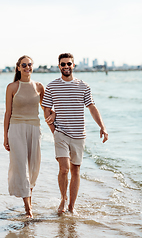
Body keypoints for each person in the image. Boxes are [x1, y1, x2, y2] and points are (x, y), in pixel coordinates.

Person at [42, 53, 108, 214]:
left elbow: (92, 107)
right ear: (59, 66)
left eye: (68, 64)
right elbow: (46, 108)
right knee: (64, 169)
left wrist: (102, 127)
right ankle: (63, 200)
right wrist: (54, 130)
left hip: (79, 134)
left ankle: (72, 206)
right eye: (63, 64)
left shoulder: (83, 86)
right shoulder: (51, 86)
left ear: (73, 65)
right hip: (61, 133)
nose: (66, 67)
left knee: (76, 170)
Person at [3, 55, 54, 218]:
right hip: (16, 129)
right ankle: (28, 209)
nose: (27, 67)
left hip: (34, 129)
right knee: (21, 167)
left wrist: (55, 121)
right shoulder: (12, 87)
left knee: (33, 167)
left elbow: (46, 110)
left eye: (29, 64)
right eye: (24, 65)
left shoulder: (39, 87)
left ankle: (28, 199)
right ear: (18, 67)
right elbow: (8, 113)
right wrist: (5, 136)